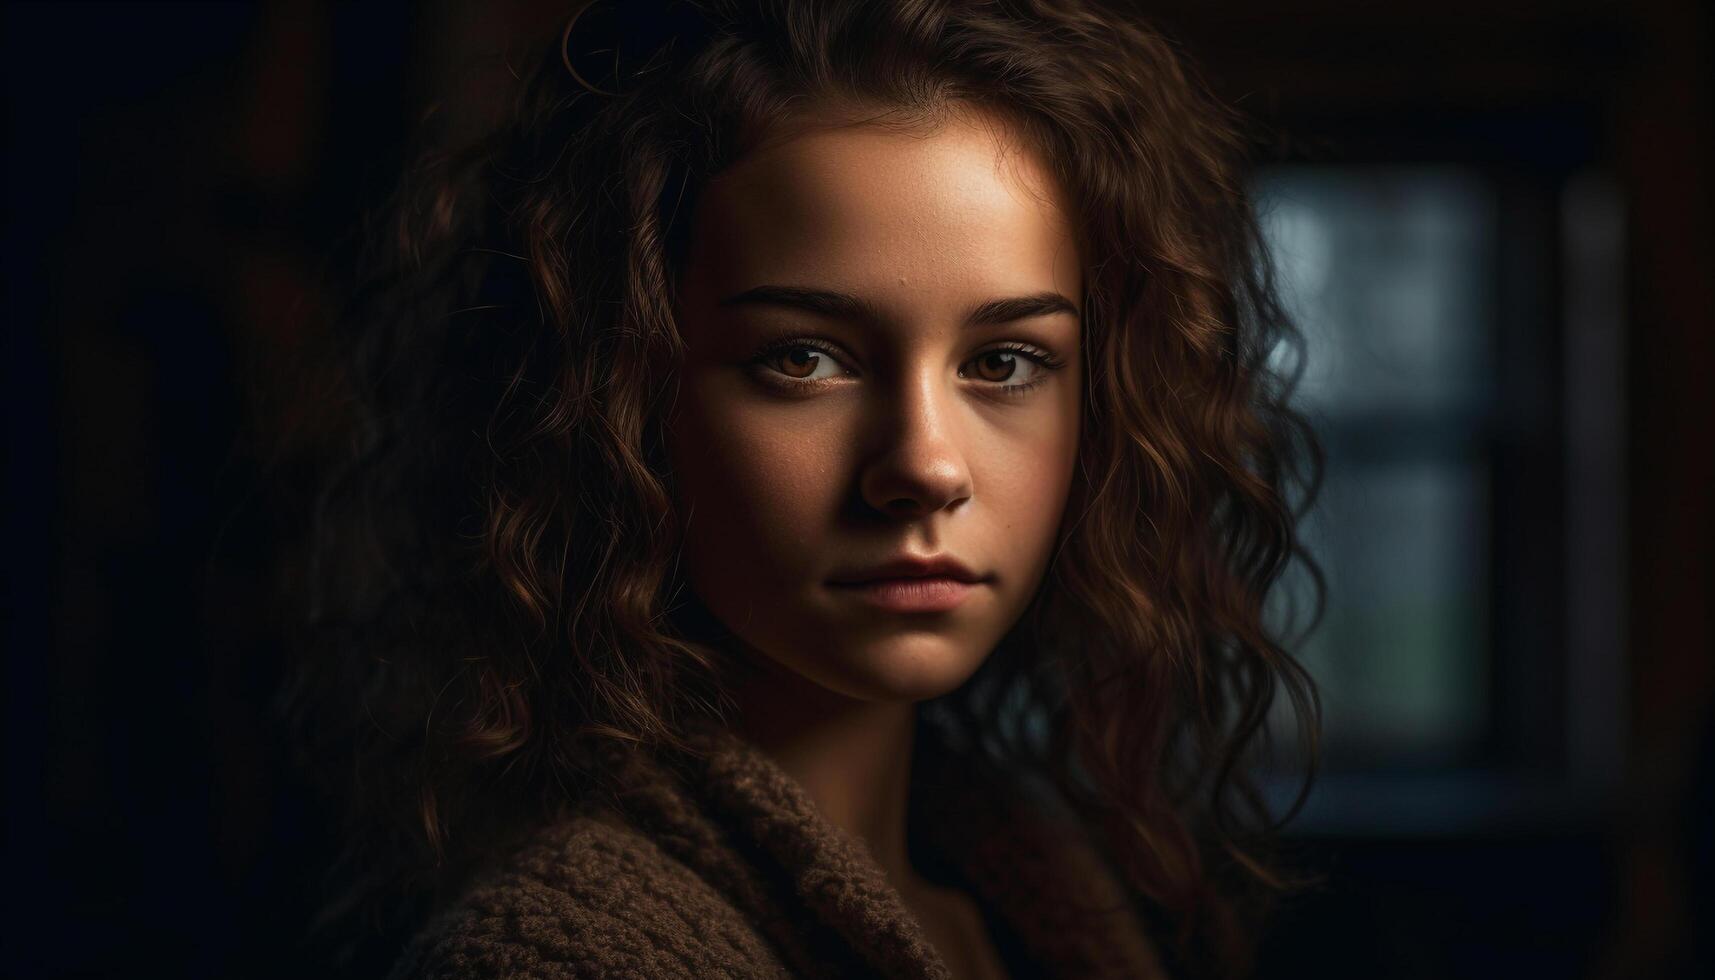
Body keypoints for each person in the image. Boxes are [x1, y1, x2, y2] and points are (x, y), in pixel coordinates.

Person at [277, 1, 1324, 977]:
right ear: (621, 399)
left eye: (1002, 363)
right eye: (805, 358)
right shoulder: (570, 954)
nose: (924, 464)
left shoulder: (1039, 887)